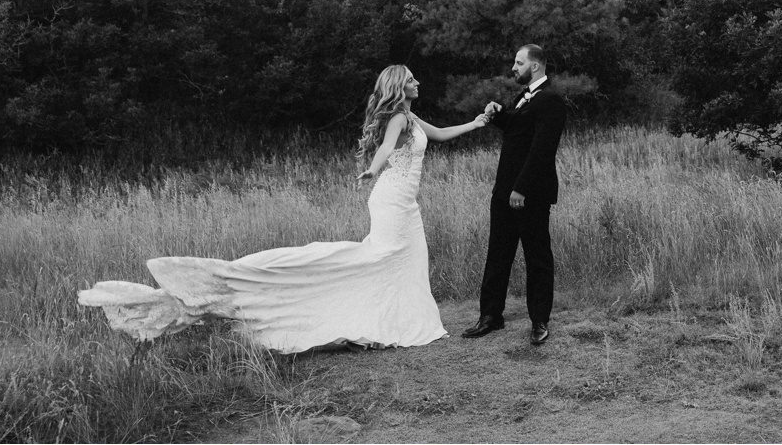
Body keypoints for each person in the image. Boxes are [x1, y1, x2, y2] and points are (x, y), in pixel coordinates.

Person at [77, 65, 484, 351]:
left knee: (400, 260)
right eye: (412, 78)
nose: (418, 82)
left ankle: (406, 320)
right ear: (399, 85)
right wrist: (371, 172)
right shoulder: (396, 118)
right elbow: (383, 153)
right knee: (379, 258)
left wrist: (477, 124)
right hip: (391, 199)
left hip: (404, 202)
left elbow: (443, 134)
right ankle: (384, 321)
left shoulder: (412, 117)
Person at [462, 44, 566, 348]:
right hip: (504, 190)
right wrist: (499, 114)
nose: (513, 67)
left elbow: (542, 150)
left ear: (535, 66)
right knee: (498, 253)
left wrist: (521, 187)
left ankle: (539, 321)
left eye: (518, 63)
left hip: (529, 193)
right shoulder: (523, 97)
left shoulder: (552, 100)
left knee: (537, 257)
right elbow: (519, 133)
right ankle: (491, 316)